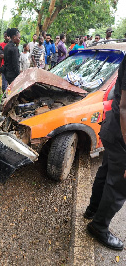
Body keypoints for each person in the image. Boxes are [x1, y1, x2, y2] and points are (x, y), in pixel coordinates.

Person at [84, 54, 126, 251]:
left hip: (114, 129)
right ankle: (99, 227)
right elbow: (125, 108)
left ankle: (92, 210)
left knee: (107, 170)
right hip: (122, 135)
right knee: (119, 184)